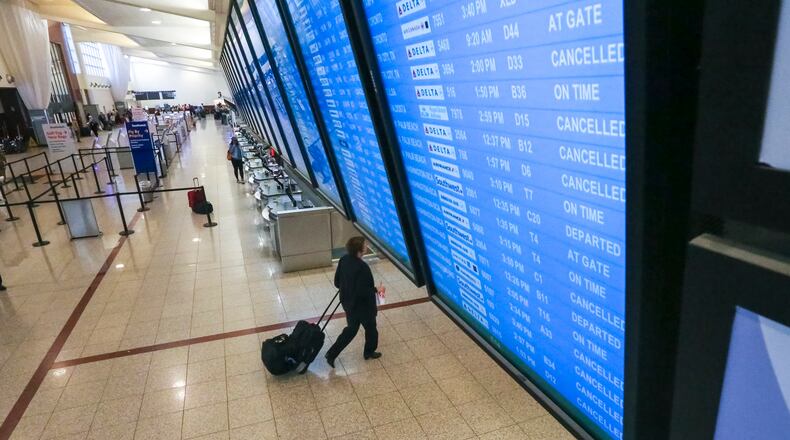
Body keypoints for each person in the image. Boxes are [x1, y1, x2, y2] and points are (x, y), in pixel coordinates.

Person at [325, 237, 385, 367]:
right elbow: (363, 291)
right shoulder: (363, 267)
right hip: (363, 307)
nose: (366, 245)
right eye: (365, 244)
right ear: (360, 249)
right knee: (371, 329)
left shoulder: (344, 259)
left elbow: (337, 282)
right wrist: (377, 289)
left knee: (351, 330)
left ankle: (331, 353)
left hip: (348, 304)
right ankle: (368, 352)